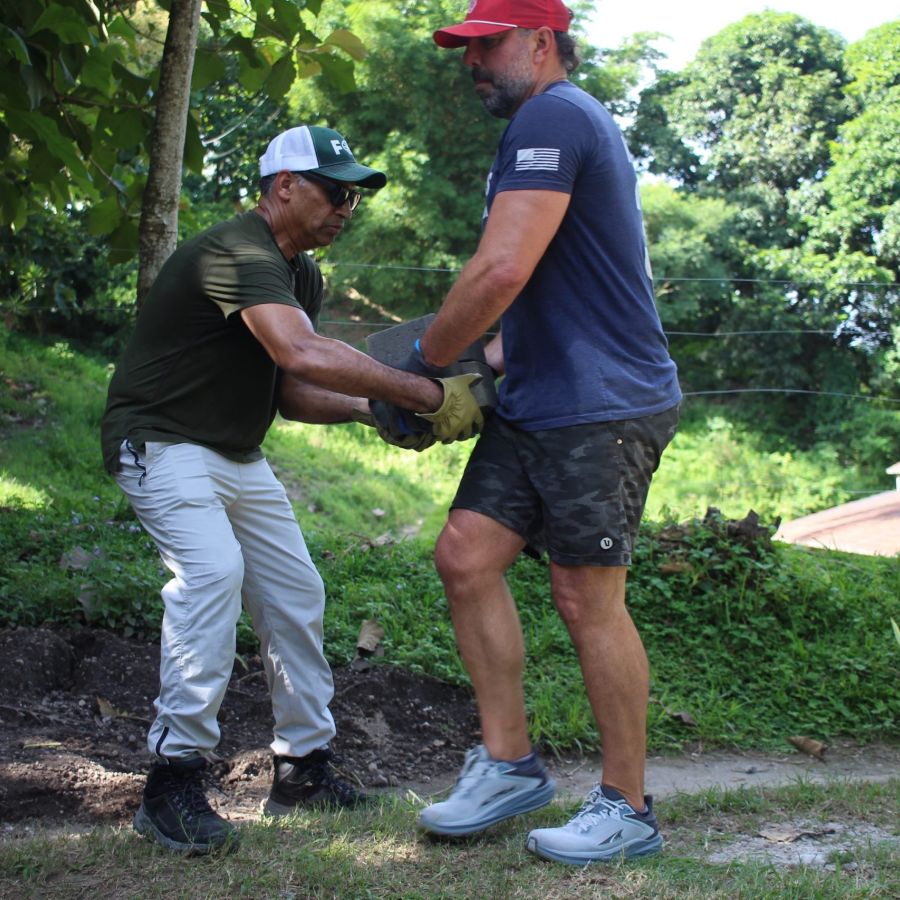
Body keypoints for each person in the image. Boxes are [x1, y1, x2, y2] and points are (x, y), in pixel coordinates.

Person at [100, 124, 482, 855]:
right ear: (284, 187)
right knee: (212, 576)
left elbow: (294, 390)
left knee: (295, 593)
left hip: (234, 451)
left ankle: (302, 771)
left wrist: (378, 411)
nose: (347, 208)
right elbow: (301, 349)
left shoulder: (299, 271)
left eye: (354, 199)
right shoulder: (235, 251)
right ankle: (172, 782)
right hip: (160, 440)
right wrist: (425, 393)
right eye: (336, 192)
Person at [387, 0, 683, 865]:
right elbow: (551, 287)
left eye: (488, 45)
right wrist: (486, 364)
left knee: (587, 597)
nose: (471, 62)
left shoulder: (554, 114)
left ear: (542, 42)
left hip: (601, 404)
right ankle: (511, 765)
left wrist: (426, 364)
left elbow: (503, 266)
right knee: (466, 556)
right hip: (543, 394)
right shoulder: (543, 127)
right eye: (466, 48)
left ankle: (628, 808)